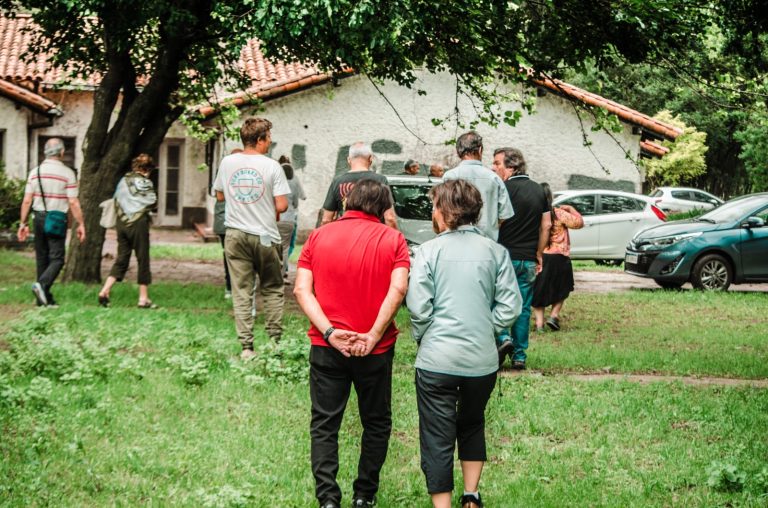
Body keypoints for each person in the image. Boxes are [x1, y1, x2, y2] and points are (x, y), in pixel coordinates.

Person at [294, 179, 409, 508]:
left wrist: (330, 332)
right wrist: (373, 334)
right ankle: (364, 495)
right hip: (375, 349)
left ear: (348, 203)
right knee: (376, 421)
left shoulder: (318, 236)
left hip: (326, 346)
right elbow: (398, 289)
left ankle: (328, 498)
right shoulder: (394, 240)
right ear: (384, 208)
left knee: (325, 423)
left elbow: (302, 290)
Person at [406, 180, 521, 508]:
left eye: (434, 206)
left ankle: (442, 505)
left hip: (436, 360)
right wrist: (487, 328)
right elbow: (511, 306)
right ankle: (471, 495)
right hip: (481, 360)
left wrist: (425, 335)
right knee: (472, 423)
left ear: (443, 211)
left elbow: (418, 306)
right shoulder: (496, 252)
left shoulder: (428, 251)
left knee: (436, 435)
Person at [213, 117, 290, 359]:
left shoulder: (227, 162)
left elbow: (219, 195)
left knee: (242, 290)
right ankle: (275, 341)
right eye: (268, 137)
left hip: (235, 234)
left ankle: (247, 347)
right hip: (265, 234)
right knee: (273, 287)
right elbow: (282, 204)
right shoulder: (272, 166)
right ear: (259, 140)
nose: (270, 142)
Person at [493, 147, 552, 370]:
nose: (494, 168)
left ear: (512, 166)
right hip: (527, 258)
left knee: (499, 301)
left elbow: (496, 221)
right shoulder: (539, 190)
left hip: (503, 257)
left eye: (498, 163)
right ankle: (519, 355)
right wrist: (539, 253)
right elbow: (546, 225)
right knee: (524, 306)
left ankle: (503, 339)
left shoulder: (502, 189)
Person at [17, 137, 86, 307]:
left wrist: (22, 223)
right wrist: (81, 223)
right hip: (56, 219)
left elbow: (27, 200)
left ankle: (43, 299)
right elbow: (73, 202)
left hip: (38, 218)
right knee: (57, 259)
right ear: (62, 152)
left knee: (42, 258)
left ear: (45, 152)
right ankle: (41, 285)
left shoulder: (35, 172)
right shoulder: (67, 173)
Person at [97, 154, 158, 308]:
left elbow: (117, 200)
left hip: (122, 223)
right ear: (147, 169)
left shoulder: (122, 181)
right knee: (142, 258)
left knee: (122, 258)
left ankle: (105, 290)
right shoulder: (145, 183)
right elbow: (151, 201)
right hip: (139, 224)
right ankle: (143, 298)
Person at [442, 131, 514, 241]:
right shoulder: (494, 178)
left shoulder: (449, 177)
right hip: (486, 242)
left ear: (458, 152)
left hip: (454, 240)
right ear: (480, 150)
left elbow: (441, 211)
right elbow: (504, 215)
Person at [532, 183, 584, 332]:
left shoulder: (533, 214)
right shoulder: (559, 213)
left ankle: (539, 324)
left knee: (539, 291)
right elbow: (579, 223)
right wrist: (572, 209)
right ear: (551, 196)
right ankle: (554, 315)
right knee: (563, 288)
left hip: (541, 256)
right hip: (560, 257)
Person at [321, 142, 398, 230]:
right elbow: (390, 218)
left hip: (346, 236)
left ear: (349, 160)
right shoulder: (380, 180)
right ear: (370, 158)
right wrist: (395, 239)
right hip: (373, 236)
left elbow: (326, 220)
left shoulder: (337, 182)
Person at [213, 148, 243, 299]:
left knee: (239, 256)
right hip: (225, 222)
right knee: (230, 255)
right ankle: (230, 286)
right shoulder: (225, 173)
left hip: (236, 222)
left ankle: (236, 286)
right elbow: (219, 196)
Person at [277, 160, 305, 278]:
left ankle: (270, 275)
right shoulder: (294, 181)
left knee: (272, 247)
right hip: (288, 219)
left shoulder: (275, 181)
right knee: (285, 248)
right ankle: (281, 275)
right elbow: (300, 198)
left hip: (274, 218)